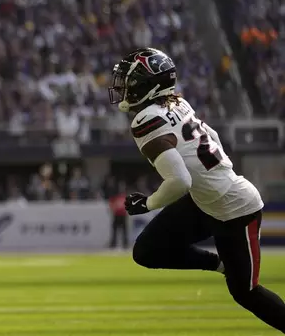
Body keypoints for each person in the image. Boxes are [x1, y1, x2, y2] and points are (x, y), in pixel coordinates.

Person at [108, 47, 285, 333]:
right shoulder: (177, 103)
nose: (124, 88)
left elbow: (180, 181)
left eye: (130, 81)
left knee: (245, 292)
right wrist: (216, 172)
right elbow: (211, 136)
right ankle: (219, 263)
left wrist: (147, 203)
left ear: (147, 85)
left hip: (236, 209)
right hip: (208, 200)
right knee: (147, 251)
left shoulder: (145, 120)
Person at [108, 181, 128, 249]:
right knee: (115, 230)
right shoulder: (115, 196)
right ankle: (114, 243)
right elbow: (111, 204)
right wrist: (113, 210)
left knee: (124, 230)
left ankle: (125, 243)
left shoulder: (125, 196)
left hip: (122, 215)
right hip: (117, 215)